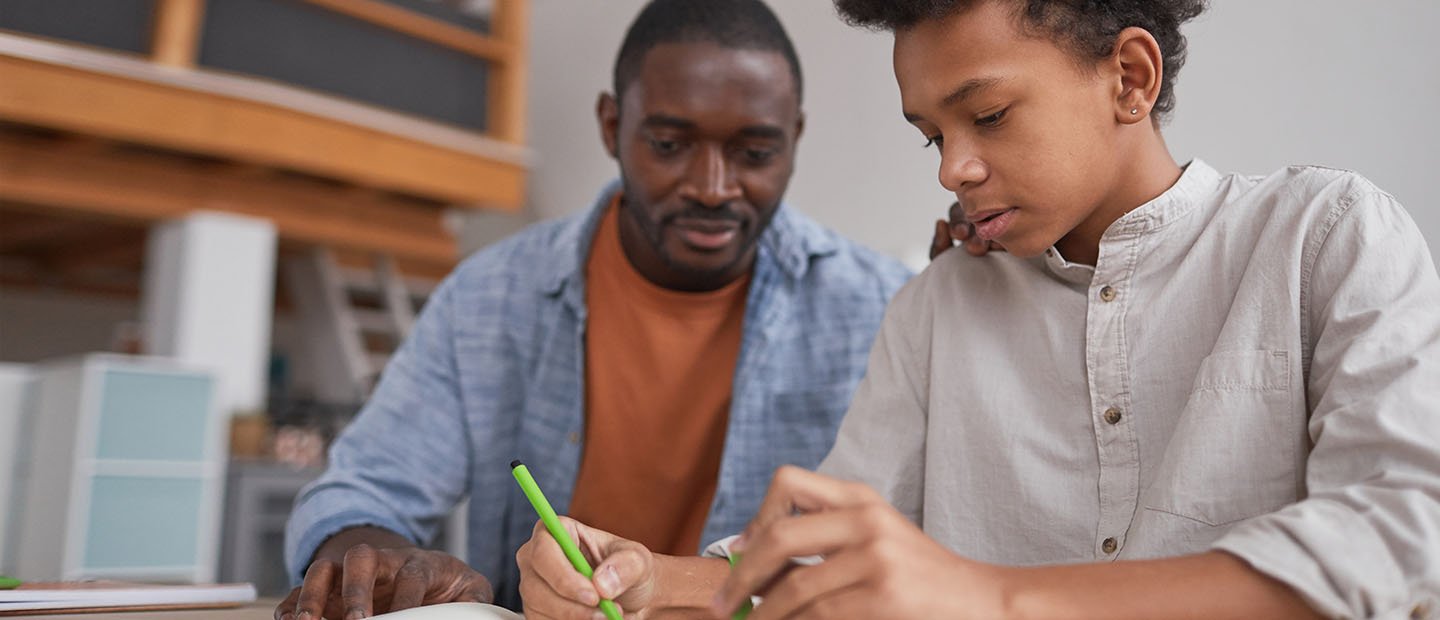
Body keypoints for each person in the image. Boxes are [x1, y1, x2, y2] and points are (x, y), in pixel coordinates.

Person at [515, 1, 1440, 618]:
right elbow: (811, 564)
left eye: (987, 116)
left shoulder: (1324, 238)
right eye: (932, 136)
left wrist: (988, 596)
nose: (953, 167)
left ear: (1130, 77)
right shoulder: (938, 307)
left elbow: (1402, 539)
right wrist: (642, 578)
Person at [274, 1, 916, 618]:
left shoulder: (884, 308)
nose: (713, 187)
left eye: (755, 154)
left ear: (794, 137)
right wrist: (380, 563)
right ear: (612, 125)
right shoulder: (492, 297)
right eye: (669, 144)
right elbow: (360, 490)